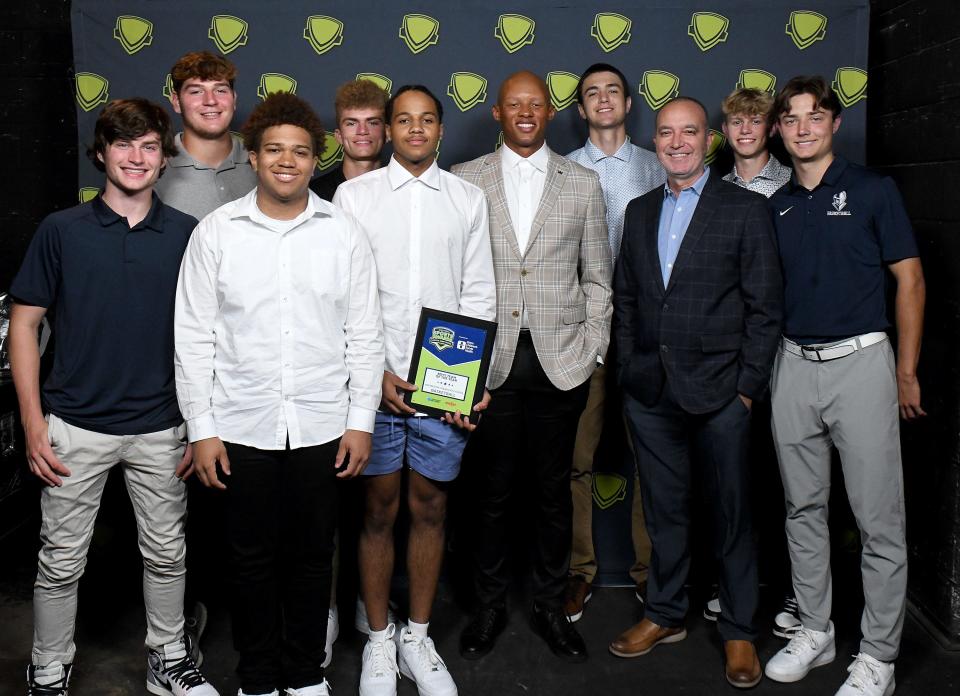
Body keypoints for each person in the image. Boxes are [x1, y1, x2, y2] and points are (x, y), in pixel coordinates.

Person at [174, 92, 384, 696]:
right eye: (274, 150)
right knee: (249, 558)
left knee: (314, 556)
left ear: (315, 158)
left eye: (299, 152)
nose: (287, 162)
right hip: (241, 423)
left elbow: (364, 334)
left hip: (323, 423)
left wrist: (360, 421)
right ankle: (259, 676)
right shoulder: (217, 233)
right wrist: (202, 428)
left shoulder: (343, 231)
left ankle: (304, 673)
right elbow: (193, 336)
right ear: (254, 155)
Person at [9, 99, 216, 696]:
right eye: (124, 145)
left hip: (160, 424)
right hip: (74, 426)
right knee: (60, 562)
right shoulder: (61, 230)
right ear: (101, 153)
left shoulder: (186, 234)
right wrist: (32, 423)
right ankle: (48, 667)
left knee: (168, 554)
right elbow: (25, 325)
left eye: (149, 146)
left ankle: (168, 658)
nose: (136, 157)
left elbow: (210, 334)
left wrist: (199, 425)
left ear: (163, 157)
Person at [608, 96, 782, 689]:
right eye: (665, 133)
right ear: (652, 140)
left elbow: (765, 308)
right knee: (664, 514)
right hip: (651, 394)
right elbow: (626, 301)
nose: (676, 142)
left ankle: (738, 630)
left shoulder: (745, 209)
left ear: (709, 138)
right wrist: (632, 371)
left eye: (688, 132)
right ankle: (664, 614)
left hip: (722, 395)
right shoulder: (637, 211)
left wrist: (747, 391)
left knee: (732, 515)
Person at [763, 76, 925, 696]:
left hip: (862, 364)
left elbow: (910, 281)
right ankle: (816, 628)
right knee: (803, 508)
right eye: (792, 118)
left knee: (877, 517)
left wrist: (905, 372)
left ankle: (879, 656)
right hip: (793, 364)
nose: (803, 127)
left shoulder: (872, 190)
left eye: (814, 116)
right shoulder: (775, 204)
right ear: (779, 130)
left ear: (834, 124)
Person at [334, 84, 496, 696]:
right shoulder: (354, 196)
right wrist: (373, 375)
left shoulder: (467, 198)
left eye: (427, 119)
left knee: (431, 508)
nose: (416, 129)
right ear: (389, 129)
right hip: (373, 387)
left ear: (441, 129)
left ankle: (417, 637)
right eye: (404, 119)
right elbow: (344, 297)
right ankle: (379, 639)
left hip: (441, 389)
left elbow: (478, 294)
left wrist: (470, 381)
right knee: (377, 511)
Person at [452, 70, 612, 663]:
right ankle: (489, 605)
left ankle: (549, 605)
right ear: (497, 112)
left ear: (550, 112)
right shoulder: (464, 181)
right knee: (489, 493)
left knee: (551, 492)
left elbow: (599, 278)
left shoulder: (584, 184)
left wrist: (594, 347)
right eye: (514, 104)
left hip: (561, 363)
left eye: (535, 104)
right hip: (490, 364)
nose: (525, 112)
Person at [563, 61, 664, 621]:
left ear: (629, 104)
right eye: (591, 94)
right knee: (576, 460)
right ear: (580, 110)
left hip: (648, 337)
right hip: (585, 338)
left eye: (613, 92)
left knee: (653, 460)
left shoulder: (658, 167)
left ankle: (653, 575)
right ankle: (579, 572)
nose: (603, 100)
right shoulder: (565, 171)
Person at [698, 86, 798, 639]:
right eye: (734, 122)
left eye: (754, 121)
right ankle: (729, 584)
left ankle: (791, 588)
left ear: (771, 129)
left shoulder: (790, 186)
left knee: (783, 476)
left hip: (784, 347)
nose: (744, 131)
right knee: (731, 479)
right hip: (727, 357)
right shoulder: (714, 189)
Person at [155, 51, 256, 220]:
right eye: (196, 92)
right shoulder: (151, 166)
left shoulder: (264, 162)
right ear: (176, 101)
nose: (210, 100)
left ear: (234, 99)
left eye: (220, 90)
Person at [310, 79, 388, 201]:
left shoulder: (405, 192)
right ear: (339, 135)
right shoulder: (313, 195)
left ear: (387, 133)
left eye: (373, 123)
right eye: (351, 123)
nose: (362, 131)